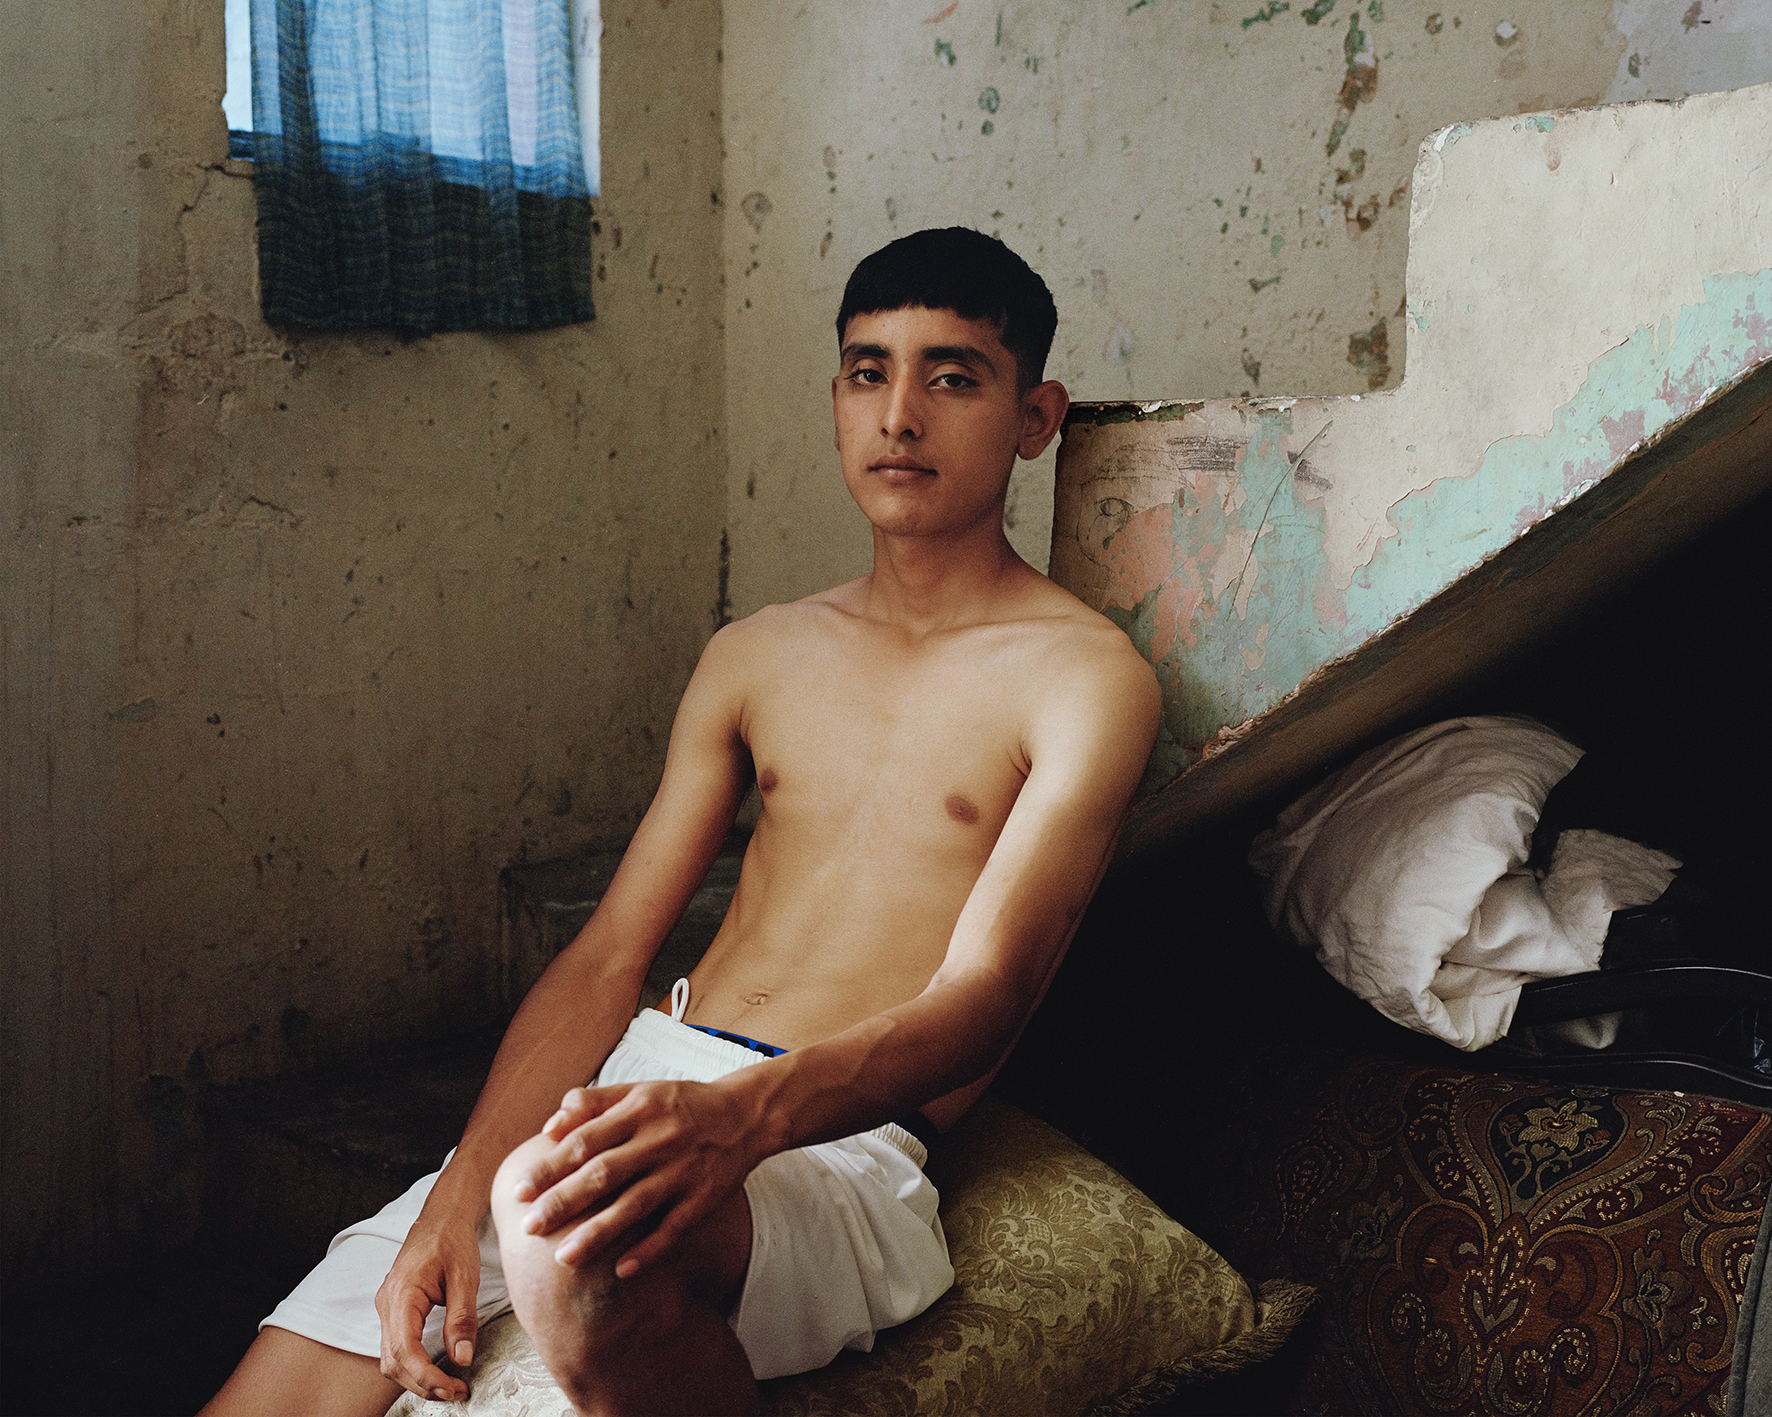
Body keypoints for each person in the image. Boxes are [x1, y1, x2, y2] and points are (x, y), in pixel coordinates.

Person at [203, 227, 1160, 1417]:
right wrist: (456, 1192)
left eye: (952, 376)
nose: (898, 415)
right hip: (640, 1081)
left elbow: (989, 994)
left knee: (563, 1230)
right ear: (835, 398)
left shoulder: (1082, 677)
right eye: (867, 372)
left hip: (833, 1141)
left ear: (1034, 417)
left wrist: (739, 1119)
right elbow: (608, 956)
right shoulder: (756, 653)